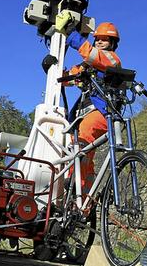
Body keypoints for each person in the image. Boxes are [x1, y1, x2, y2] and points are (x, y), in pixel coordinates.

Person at [56, 11, 122, 200]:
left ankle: (75, 185)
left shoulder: (111, 60)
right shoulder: (88, 66)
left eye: (105, 39)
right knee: (81, 154)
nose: (100, 42)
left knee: (83, 139)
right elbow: (67, 79)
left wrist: (71, 33)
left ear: (113, 43)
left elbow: (91, 54)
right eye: (98, 39)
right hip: (83, 114)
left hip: (102, 111)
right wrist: (54, 69)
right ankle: (83, 198)